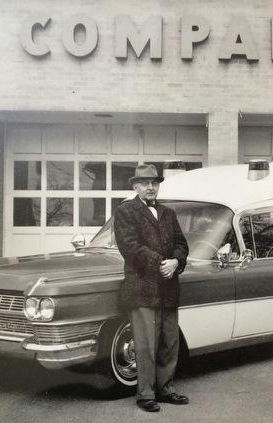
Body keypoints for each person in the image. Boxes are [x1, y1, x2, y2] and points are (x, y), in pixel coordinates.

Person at [113, 164, 190, 412]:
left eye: (154, 183)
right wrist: (162, 263)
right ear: (135, 186)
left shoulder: (168, 213)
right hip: (142, 289)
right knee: (145, 345)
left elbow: (181, 244)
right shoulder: (126, 211)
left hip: (168, 287)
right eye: (145, 183)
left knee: (170, 341)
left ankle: (165, 389)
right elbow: (130, 248)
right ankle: (145, 394)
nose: (150, 187)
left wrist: (177, 262)